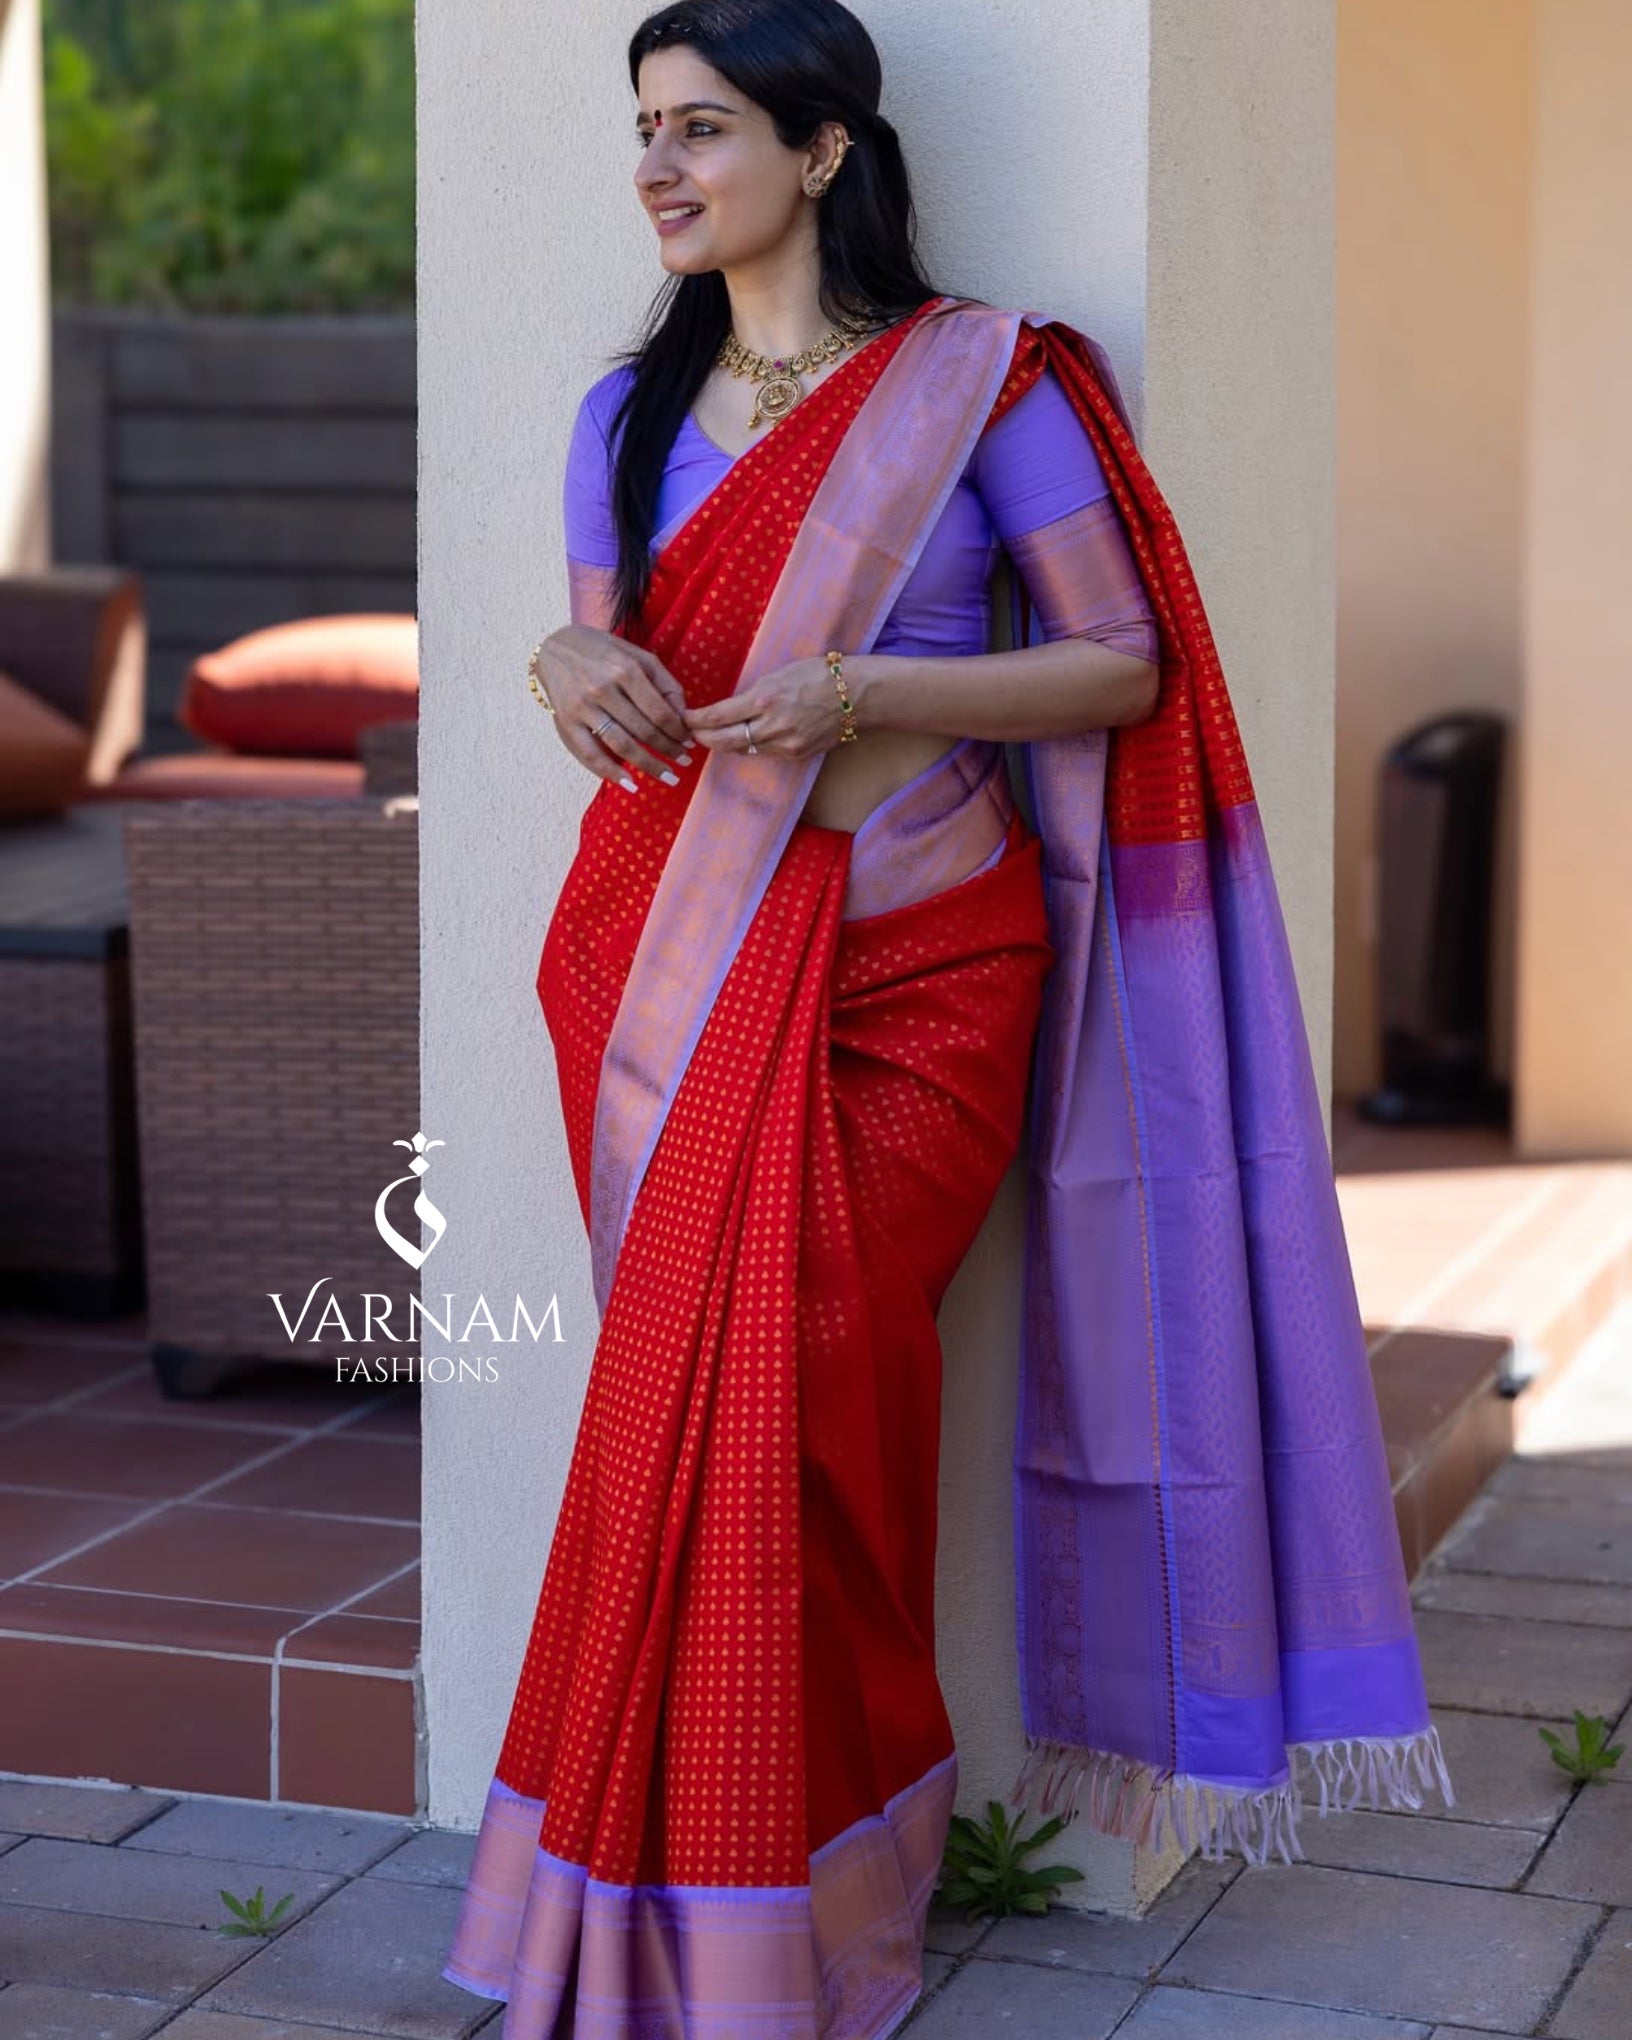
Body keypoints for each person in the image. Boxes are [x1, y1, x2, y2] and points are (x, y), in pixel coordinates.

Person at [443, 2, 1454, 2034]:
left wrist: (871, 695)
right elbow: (609, 700)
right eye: (640, 129)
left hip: (920, 965)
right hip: (661, 971)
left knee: (818, 1378)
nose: (655, 166)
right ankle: (678, 1900)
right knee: (692, 1414)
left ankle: (826, 1875)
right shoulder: (619, 421)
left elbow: (1117, 670)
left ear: (819, 152)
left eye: (700, 126)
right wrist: (566, 658)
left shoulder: (988, 387)